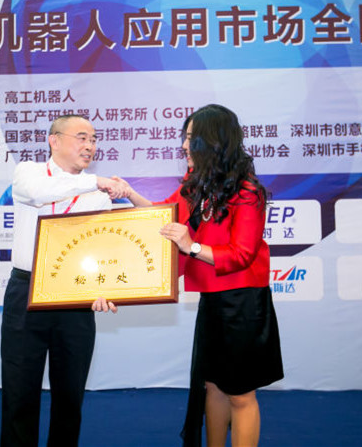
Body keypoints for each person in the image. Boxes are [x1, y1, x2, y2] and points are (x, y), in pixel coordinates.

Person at [121, 104, 284, 447]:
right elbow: (161, 218)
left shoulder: (247, 191)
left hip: (243, 303)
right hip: (212, 300)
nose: (183, 145)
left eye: (192, 138)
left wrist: (191, 246)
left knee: (240, 394)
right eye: (185, 137)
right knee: (212, 385)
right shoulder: (197, 187)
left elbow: (242, 254)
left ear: (214, 141)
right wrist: (129, 194)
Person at [1, 114, 124, 447]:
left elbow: (100, 249)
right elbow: (38, 194)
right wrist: (94, 181)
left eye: (94, 139)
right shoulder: (29, 172)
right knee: (19, 390)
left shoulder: (98, 196)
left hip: (76, 296)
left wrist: (104, 288)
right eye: (82, 137)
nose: (90, 146)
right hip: (27, 291)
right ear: (54, 140)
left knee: (70, 395)